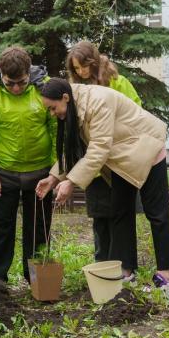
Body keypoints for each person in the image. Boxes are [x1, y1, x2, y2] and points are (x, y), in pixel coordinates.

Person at [35, 78, 169, 291]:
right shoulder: (74, 106)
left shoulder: (98, 101)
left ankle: (165, 275)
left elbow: (98, 148)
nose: (53, 114)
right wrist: (54, 178)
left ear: (65, 98)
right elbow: (74, 148)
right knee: (119, 212)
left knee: (157, 213)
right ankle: (125, 271)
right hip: (120, 158)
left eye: (53, 108)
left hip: (147, 147)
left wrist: (71, 182)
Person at [0, 46, 56, 287]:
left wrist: (55, 173)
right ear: (0, 75)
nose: (16, 89)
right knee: (1, 227)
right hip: (4, 172)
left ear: (30, 74)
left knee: (38, 228)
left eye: (22, 82)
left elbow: (56, 129)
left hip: (41, 172)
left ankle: (36, 278)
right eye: (10, 84)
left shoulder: (46, 89)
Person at [66, 41, 143, 276]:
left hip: (119, 161)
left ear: (93, 62)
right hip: (94, 165)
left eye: (83, 67)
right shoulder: (75, 89)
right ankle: (102, 265)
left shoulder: (118, 83)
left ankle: (125, 266)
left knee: (123, 216)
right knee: (100, 217)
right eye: (76, 69)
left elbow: (136, 114)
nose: (80, 73)